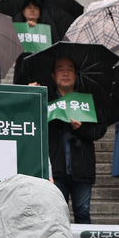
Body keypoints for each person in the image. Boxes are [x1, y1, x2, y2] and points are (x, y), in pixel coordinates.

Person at [46, 56, 105, 224]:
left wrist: (82, 127)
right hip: (56, 169)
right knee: (56, 216)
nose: (65, 73)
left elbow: (100, 130)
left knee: (83, 212)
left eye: (70, 69)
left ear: (76, 74)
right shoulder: (46, 101)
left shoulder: (87, 101)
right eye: (60, 69)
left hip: (82, 167)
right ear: (53, 75)